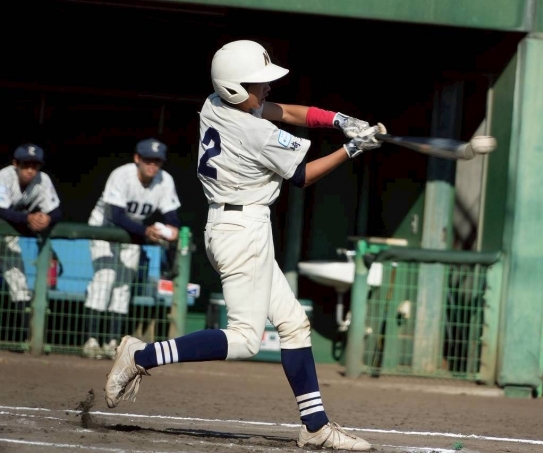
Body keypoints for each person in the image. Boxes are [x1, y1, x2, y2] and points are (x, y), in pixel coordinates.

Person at [104, 40, 383, 450]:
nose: (267, 87)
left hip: (234, 223)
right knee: (246, 338)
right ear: (235, 87)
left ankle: (315, 426)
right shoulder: (255, 131)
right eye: (258, 83)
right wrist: (352, 148)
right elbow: (302, 176)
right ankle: (142, 355)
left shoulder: (215, 103)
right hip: (242, 230)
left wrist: (341, 120)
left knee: (293, 323)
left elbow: (287, 111)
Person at [83, 138, 181, 360]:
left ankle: (112, 343)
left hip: (134, 232)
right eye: (148, 159)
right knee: (105, 279)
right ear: (137, 158)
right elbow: (115, 215)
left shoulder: (165, 180)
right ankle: (91, 340)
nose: (152, 165)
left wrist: (173, 228)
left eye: (157, 161)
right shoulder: (121, 175)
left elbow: (171, 214)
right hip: (104, 228)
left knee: (123, 285)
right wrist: (146, 231)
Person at [0, 144, 62, 340]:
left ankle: (27, 340)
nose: (30, 170)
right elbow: (1, 210)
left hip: (6, 238)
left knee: (20, 285)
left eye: (34, 166)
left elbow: (56, 211)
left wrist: (47, 219)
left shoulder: (42, 180)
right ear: (15, 164)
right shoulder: (4, 177)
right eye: (26, 165)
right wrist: (28, 218)